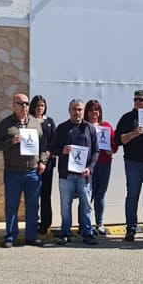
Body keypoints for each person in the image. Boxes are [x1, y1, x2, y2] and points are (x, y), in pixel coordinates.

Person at [0, 92, 48, 247]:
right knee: (12, 205)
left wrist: (43, 161)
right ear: (13, 106)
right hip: (13, 172)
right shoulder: (6, 124)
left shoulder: (35, 123)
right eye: (21, 103)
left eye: (26, 103)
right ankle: (11, 236)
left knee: (32, 205)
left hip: (32, 172)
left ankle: (31, 236)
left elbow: (43, 146)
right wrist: (11, 141)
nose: (24, 106)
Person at [114, 89, 143, 242]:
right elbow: (118, 140)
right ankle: (131, 229)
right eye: (135, 100)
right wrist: (134, 133)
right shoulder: (127, 118)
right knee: (132, 196)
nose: (138, 102)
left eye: (141, 99)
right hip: (134, 162)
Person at [49, 98, 99, 245]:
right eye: (74, 109)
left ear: (83, 111)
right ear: (69, 110)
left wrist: (90, 168)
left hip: (84, 175)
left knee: (86, 205)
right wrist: (62, 150)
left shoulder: (89, 128)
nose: (77, 112)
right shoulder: (62, 128)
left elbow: (96, 151)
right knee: (66, 205)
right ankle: (65, 232)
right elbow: (52, 148)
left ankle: (88, 233)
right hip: (66, 174)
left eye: (80, 110)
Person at [84, 99, 116, 233]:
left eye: (96, 110)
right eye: (91, 110)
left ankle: (99, 223)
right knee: (87, 195)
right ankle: (85, 224)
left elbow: (114, 144)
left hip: (104, 164)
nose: (94, 113)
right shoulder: (83, 126)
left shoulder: (106, 126)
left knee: (100, 195)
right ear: (87, 112)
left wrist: (112, 150)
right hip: (89, 166)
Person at [31, 95, 56, 236]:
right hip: (32, 163)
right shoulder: (28, 121)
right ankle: (33, 221)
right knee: (33, 194)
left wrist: (48, 154)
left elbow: (54, 140)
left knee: (45, 194)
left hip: (48, 163)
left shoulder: (50, 122)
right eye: (37, 105)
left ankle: (45, 223)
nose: (40, 108)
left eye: (42, 105)